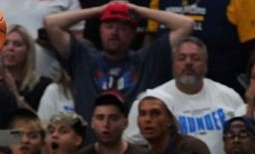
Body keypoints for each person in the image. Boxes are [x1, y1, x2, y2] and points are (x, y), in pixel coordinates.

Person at [43, 2, 194, 119]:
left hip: (135, 148)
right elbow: (51, 23)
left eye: (122, 28)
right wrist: (100, 10)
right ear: (100, 29)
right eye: (109, 26)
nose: (114, 33)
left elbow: (186, 24)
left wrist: (134, 9)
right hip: (90, 149)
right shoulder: (84, 59)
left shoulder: (146, 60)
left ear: (133, 33)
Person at [125, 38, 245, 154]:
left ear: (206, 64)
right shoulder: (152, 100)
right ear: (172, 64)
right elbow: (131, 147)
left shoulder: (229, 97)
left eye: (195, 58)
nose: (188, 63)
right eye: (181, 58)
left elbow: (247, 143)